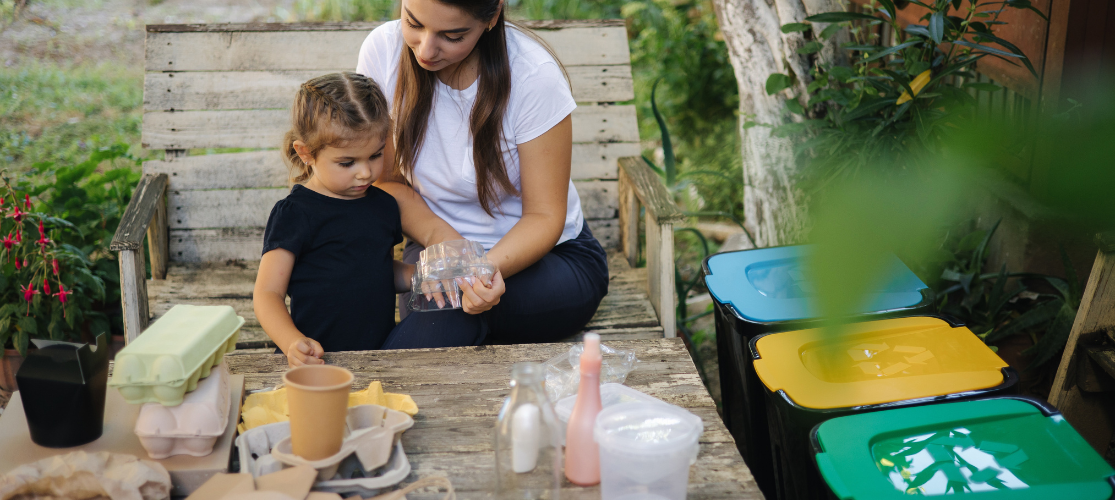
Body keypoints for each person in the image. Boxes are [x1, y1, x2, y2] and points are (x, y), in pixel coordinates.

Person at [357, 0, 609, 348]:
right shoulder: (382, 51)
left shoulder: (533, 76)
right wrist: (451, 251)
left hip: (550, 259)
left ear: (491, 17)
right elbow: (385, 180)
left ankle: (366, 394)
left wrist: (480, 271)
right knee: (441, 308)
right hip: (434, 242)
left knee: (445, 311)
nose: (426, 50)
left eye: (452, 35)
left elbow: (545, 216)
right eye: (413, 23)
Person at [253, 72, 443, 367]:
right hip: (315, 357)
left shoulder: (382, 205)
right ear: (306, 153)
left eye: (375, 156)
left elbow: (374, 268)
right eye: (347, 162)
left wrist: (417, 276)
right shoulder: (295, 213)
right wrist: (291, 341)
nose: (365, 172)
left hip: (377, 352)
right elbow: (267, 293)